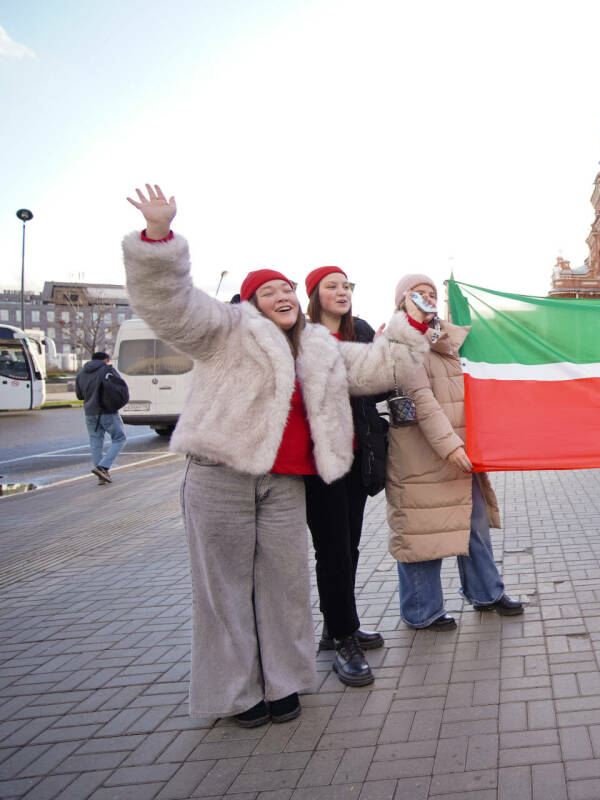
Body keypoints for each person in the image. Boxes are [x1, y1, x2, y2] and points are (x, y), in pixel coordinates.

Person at [122, 184, 427, 727]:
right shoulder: (224, 331)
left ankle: (286, 680)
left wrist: (413, 324)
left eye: (288, 288)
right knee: (226, 591)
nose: (284, 294)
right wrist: (159, 237)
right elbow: (169, 305)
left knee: (285, 587)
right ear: (250, 303)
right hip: (222, 478)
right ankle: (237, 693)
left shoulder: (318, 347)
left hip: (286, 483)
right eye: (270, 291)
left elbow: (382, 370)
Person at [386, 274, 523, 630]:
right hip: (423, 455)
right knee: (423, 531)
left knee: (475, 525)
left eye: (432, 294)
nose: (427, 299)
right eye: (419, 294)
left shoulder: (447, 342)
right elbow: (422, 401)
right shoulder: (401, 342)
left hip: (461, 450)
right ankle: (421, 610)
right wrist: (450, 448)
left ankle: (487, 593)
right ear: (402, 301)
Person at [302, 265, 390, 687]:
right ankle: (342, 639)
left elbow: (380, 384)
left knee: (350, 546)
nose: (341, 292)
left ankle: (340, 625)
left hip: (358, 456)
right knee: (332, 549)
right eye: (331, 287)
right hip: (320, 461)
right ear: (315, 295)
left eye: (345, 286)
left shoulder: (362, 331)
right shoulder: (299, 336)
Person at [75, 351, 129, 484]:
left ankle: (101, 477)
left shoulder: (81, 373)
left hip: (89, 412)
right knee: (119, 438)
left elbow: (79, 395)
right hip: (106, 410)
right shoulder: (106, 370)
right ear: (105, 360)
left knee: (96, 442)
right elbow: (118, 388)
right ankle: (103, 467)